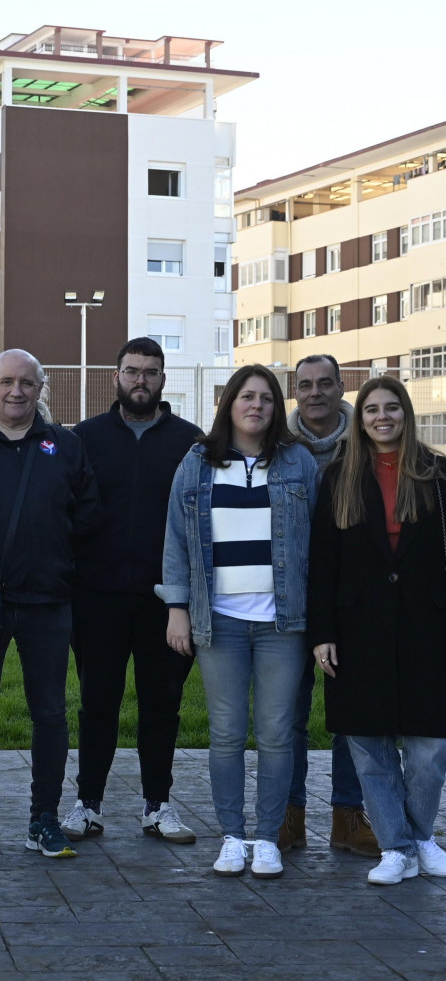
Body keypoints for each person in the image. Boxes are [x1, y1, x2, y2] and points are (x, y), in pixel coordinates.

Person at [158, 365, 317, 879]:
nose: (256, 406)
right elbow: (177, 541)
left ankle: (267, 838)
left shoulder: (297, 463)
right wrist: (177, 607)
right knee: (226, 734)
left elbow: (319, 544)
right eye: (246, 397)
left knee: (276, 734)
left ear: (277, 407)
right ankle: (231, 836)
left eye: (266, 398)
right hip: (219, 622)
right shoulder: (198, 463)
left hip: (282, 624)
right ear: (229, 404)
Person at [0, 350, 99, 859]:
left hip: (48, 603)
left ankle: (44, 818)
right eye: (7, 382)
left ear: (42, 390)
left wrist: (58, 563)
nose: (17, 391)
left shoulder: (67, 445)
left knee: (51, 714)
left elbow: (88, 516)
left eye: (28, 383)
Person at [307, 376, 446, 886]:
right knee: (369, 746)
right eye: (371, 410)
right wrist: (321, 631)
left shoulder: (436, 474)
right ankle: (395, 847)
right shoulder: (339, 475)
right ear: (359, 418)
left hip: (425, 625)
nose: (382, 417)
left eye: (391, 408)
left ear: (406, 414)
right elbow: (321, 562)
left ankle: (420, 838)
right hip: (357, 627)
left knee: (429, 748)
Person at [63, 337, 201, 845]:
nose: (140, 379)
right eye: (131, 371)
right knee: (98, 702)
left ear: (164, 380)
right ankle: (88, 805)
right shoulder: (84, 438)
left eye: (150, 371)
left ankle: (158, 806)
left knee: (162, 704)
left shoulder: (191, 442)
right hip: (95, 597)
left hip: (166, 602)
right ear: (115, 377)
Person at [281, 355, 378, 857]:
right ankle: (290, 815)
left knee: (348, 713)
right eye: (304, 385)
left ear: (342, 387)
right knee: (288, 714)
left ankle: (347, 814)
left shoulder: (365, 441)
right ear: (293, 391)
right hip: (291, 598)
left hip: (350, 601)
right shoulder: (277, 443)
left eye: (325, 384)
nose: (315, 392)